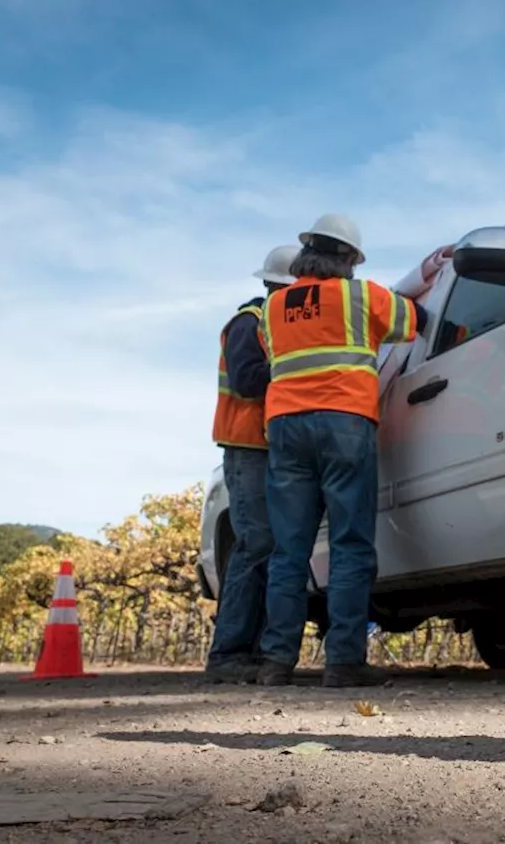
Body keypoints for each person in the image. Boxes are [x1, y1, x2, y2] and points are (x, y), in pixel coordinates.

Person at [256, 213, 428, 688]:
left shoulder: (272, 309)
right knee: (350, 544)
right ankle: (344, 661)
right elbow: (414, 322)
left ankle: (276, 662)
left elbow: (274, 355)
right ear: (349, 257)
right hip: (344, 423)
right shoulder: (361, 295)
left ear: (309, 253)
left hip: (286, 428)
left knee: (289, 551)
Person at [204, 244, 300, 684]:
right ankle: (228, 653)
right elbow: (247, 379)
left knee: (268, 548)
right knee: (255, 545)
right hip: (247, 448)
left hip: (264, 448)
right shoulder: (251, 322)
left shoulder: (268, 323)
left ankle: (254, 651)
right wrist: (298, 370)